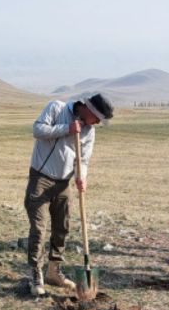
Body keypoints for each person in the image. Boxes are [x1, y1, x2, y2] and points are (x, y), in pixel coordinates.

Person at [24, 93, 114, 297]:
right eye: (97, 118)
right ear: (88, 109)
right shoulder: (57, 108)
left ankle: (53, 271)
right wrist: (67, 129)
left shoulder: (89, 131)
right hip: (41, 177)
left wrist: (82, 176)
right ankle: (36, 274)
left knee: (62, 227)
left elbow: (83, 159)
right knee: (38, 228)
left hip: (63, 182)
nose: (98, 123)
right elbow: (38, 130)